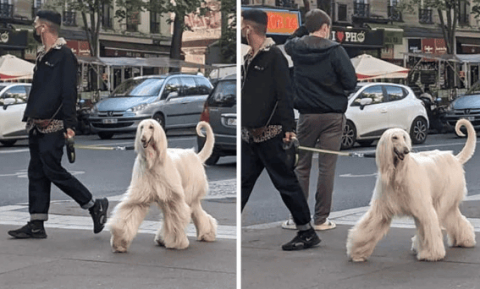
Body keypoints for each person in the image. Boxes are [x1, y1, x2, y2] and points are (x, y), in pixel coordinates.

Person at [8, 10, 109, 239]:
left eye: (36, 25)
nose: (34, 29)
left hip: (53, 125)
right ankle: (36, 223)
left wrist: (70, 124)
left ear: (44, 28)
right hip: (36, 123)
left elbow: (68, 91)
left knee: (53, 171)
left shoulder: (64, 55)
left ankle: (94, 205)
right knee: (36, 172)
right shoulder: (43, 55)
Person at [241, 9, 320, 251]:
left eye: (242, 26)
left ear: (248, 29)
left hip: (271, 132)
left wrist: (289, 128)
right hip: (250, 134)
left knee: (286, 183)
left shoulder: (274, 56)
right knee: (243, 181)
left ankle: (307, 231)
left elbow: (285, 93)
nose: (240, 30)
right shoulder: (249, 58)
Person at [282, 9, 357, 231]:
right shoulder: (336, 50)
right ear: (325, 28)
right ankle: (322, 219)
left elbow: (290, 40)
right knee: (327, 168)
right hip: (333, 115)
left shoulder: (297, 48)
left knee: (301, 166)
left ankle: (299, 218)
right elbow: (351, 82)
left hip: (307, 115)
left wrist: (306, 27)